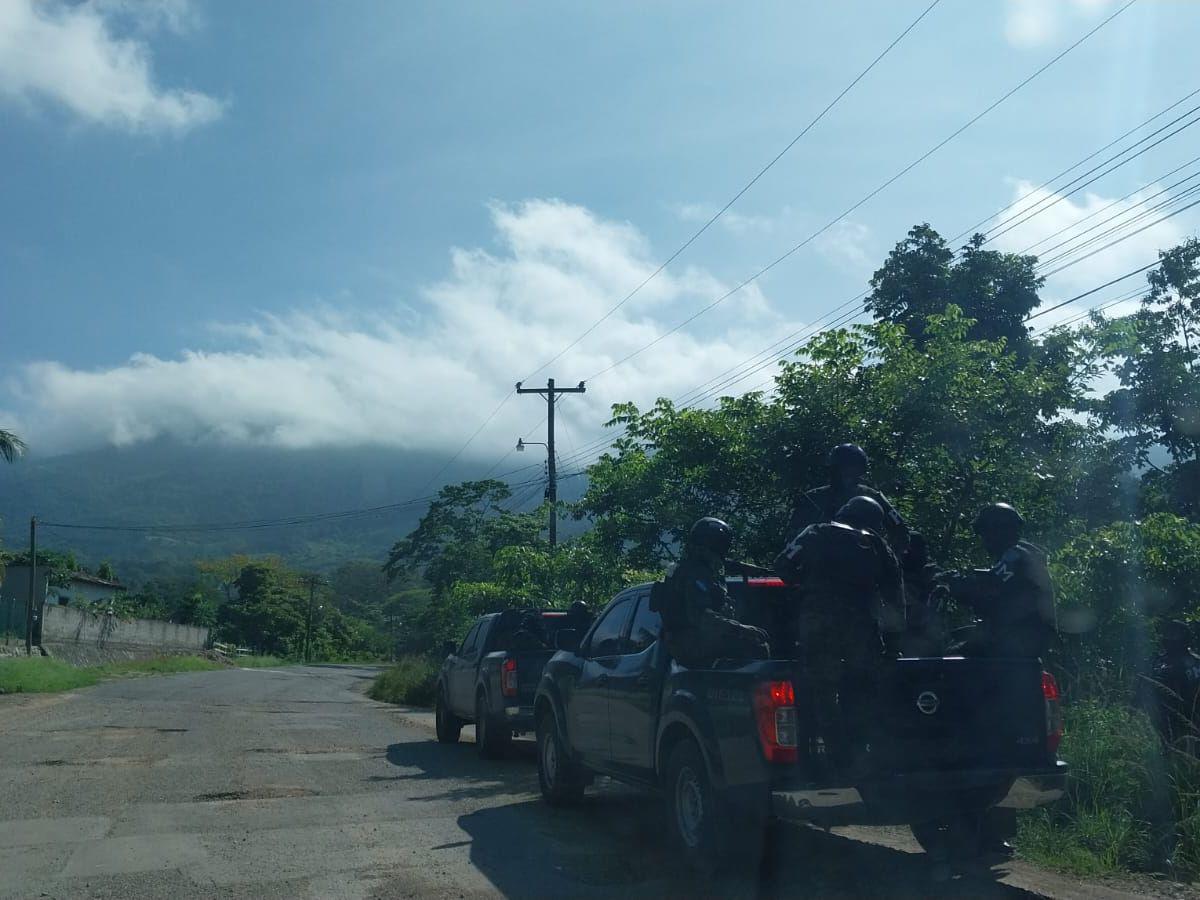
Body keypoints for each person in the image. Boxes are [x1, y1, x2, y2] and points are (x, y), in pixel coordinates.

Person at [774, 495, 904, 774]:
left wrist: (805, 586)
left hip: (818, 621)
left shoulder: (816, 532)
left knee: (820, 690)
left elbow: (782, 564)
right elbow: (894, 593)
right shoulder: (877, 544)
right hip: (861, 624)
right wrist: (894, 639)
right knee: (862, 686)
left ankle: (832, 757)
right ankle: (863, 749)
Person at [942, 503, 1056, 659]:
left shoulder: (1014, 557)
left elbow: (986, 588)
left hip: (1015, 643)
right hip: (1023, 640)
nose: (984, 540)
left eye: (985, 533)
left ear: (998, 531)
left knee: (946, 663)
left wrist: (954, 582)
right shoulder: (1025, 554)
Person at [658, 517, 770, 668]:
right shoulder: (696, 574)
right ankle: (740, 685)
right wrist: (740, 629)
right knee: (757, 645)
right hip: (689, 643)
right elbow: (702, 616)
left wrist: (756, 571)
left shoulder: (685, 567)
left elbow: (726, 563)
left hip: (681, 642)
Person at [787, 443, 910, 555]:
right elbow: (794, 537)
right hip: (824, 563)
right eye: (844, 468)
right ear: (834, 469)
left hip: (865, 562)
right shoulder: (813, 498)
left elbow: (899, 528)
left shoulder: (873, 496)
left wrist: (886, 557)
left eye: (854, 469)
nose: (848, 474)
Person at [1142, 620, 1200, 747]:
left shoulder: (1195, 662)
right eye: (1167, 633)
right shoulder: (1158, 660)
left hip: (1190, 716)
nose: (1169, 638)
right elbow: (1145, 685)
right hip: (1162, 716)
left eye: (1174, 634)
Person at [897, 531, 950, 657]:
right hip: (910, 646)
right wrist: (926, 590)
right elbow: (915, 619)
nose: (924, 553)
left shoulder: (932, 576)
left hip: (933, 644)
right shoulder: (900, 581)